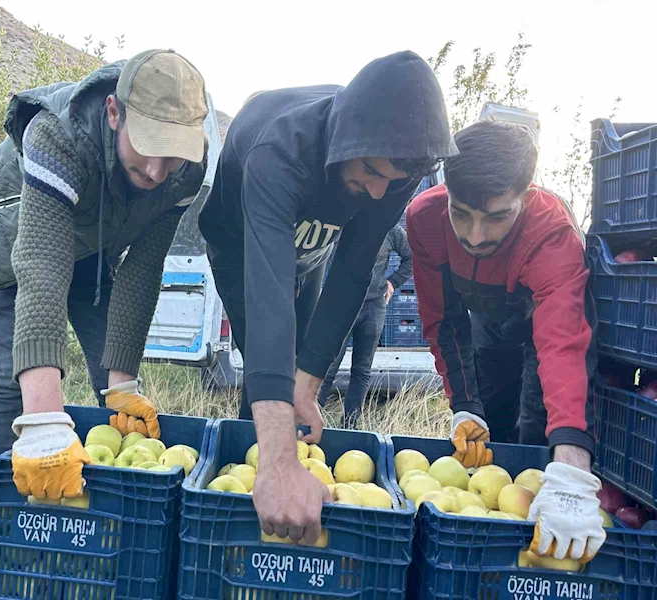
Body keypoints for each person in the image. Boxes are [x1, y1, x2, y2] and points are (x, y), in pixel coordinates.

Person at [198, 50, 456, 544]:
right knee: (265, 361)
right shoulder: (279, 150)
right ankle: (259, 481)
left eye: (393, 180)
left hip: (309, 249)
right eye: (372, 173)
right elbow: (269, 291)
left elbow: (353, 269)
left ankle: (279, 460)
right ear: (346, 141)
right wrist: (277, 459)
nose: (380, 194)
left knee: (297, 369)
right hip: (241, 248)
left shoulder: (391, 165)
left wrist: (308, 384)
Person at [0, 49, 209, 501]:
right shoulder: (58, 134)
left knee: (111, 383)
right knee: (4, 375)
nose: (157, 172)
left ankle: (103, 508)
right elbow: (42, 266)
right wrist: (42, 421)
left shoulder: (186, 173)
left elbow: (143, 268)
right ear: (115, 113)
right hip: (12, 235)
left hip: (89, 247)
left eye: (172, 155)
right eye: (148, 146)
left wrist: (122, 383)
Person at [405, 120, 605, 564]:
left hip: (540, 324)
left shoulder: (551, 233)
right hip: (488, 322)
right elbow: (443, 321)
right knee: (488, 430)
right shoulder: (425, 218)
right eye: (462, 213)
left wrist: (571, 463)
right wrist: (463, 404)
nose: (475, 236)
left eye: (496, 216)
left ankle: (537, 551)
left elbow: (561, 344)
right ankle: (489, 553)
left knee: (537, 431)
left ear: (526, 195)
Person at [316, 224, 413, 428]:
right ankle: (310, 420)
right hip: (340, 304)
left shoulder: (390, 228)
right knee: (327, 366)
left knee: (361, 369)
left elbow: (412, 256)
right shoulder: (341, 219)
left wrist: (393, 281)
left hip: (373, 306)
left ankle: (350, 425)